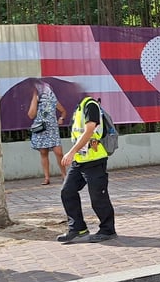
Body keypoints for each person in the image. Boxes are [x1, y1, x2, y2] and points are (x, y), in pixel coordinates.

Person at [58, 95, 116, 244]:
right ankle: (77, 228)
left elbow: (89, 130)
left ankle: (108, 230)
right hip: (80, 160)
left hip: (95, 159)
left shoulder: (90, 105)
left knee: (98, 196)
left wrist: (71, 152)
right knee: (67, 191)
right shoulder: (78, 108)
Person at [29, 81, 68, 184]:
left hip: (52, 129)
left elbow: (63, 111)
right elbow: (31, 115)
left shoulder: (52, 99)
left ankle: (64, 175)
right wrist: (34, 96)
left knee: (59, 153)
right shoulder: (35, 100)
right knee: (43, 152)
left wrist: (61, 118)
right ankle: (46, 178)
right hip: (41, 129)